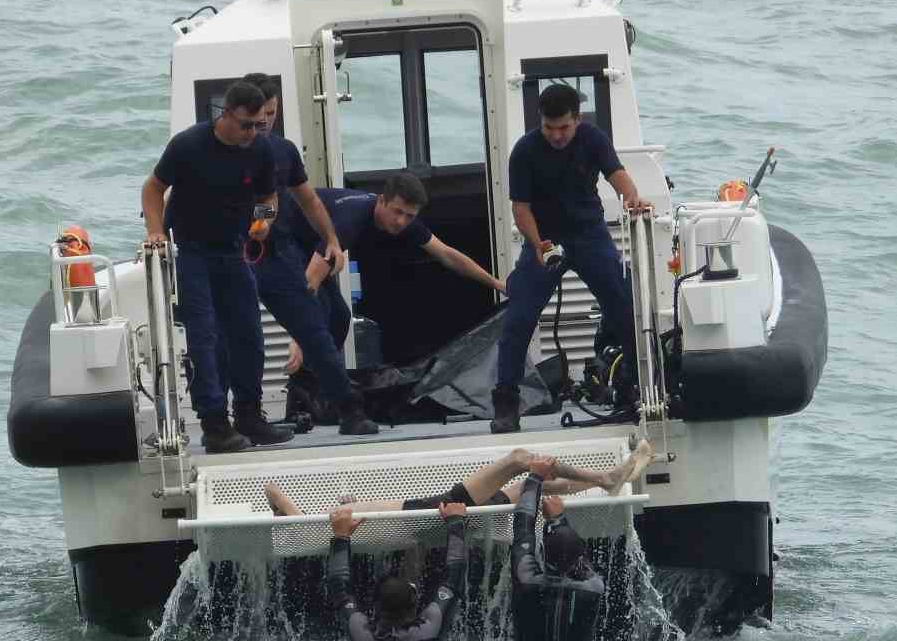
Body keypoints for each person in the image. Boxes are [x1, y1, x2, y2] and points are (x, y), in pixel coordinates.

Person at [492, 84, 654, 433]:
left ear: (577, 120)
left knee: (623, 306)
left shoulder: (593, 138)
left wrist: (632, 198)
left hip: (589, 233)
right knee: (519, 317)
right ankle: (506, 402)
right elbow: (520, 209)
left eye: (564, 127)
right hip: (544, 237)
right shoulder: (524, 151)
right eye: (550, 128)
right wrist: (538, 244)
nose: (557, 135)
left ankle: (634, 387)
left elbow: (617, 175)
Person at [142, 80, 290, 453]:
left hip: (234, 251)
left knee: (249, 336)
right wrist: (156, 231)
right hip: (192, 253)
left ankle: (249, 415)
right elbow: (153, 188)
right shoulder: (188, 145)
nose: (252, 133)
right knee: (205, 338)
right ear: (225, 114)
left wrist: (263, 221)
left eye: (258, 125)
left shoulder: (260, 151)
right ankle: (213, 424)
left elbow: (268, 197)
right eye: (245, 125)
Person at [236, 72, 377, 436]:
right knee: (241, 336)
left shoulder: (281, 151)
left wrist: (330, 237)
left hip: (276, 253)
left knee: (316, 329)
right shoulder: (220, 148)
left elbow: (305, 198)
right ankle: (243, 417)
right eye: (259, 113)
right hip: (233, 255)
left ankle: (347, 407)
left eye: (271, 111)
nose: (265, 120)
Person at [282, 172, 509, 385]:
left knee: (340, 317)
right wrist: (297, 336)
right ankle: (303, 391)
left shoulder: (403, 223)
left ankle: (319, 388)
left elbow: (447, 255)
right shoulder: (353, 217)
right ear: (381, 201)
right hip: (280, 230)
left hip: (305, 238)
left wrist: (497, 283)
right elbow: (310, 280)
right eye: (397, 211)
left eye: (409, 216)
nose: (401, 221)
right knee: (319, 309)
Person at [511, 439, 655, 641]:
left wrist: (535, 478)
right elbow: (575, 558)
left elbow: (522, 528)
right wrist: (559, 519)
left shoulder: (527, 581)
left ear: (543, 555)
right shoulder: (593, 587)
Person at [326, 501, 468, 641]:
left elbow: (340, 589)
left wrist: (341, 537)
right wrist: (456, 523)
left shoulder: (363, 634)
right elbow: (454, 578)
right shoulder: (428, 630)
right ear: (415, 603)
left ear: (374, 606)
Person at [263, 442, 652, 517]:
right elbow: (272, 490)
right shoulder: (328, 522)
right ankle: (604, 479)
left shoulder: (334, 522)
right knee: (518, 460)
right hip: (439, 508)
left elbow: (274, 498)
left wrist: (281, 513)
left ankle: (607, 479)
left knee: (531, 487)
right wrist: (282, 510)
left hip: (438, 508)